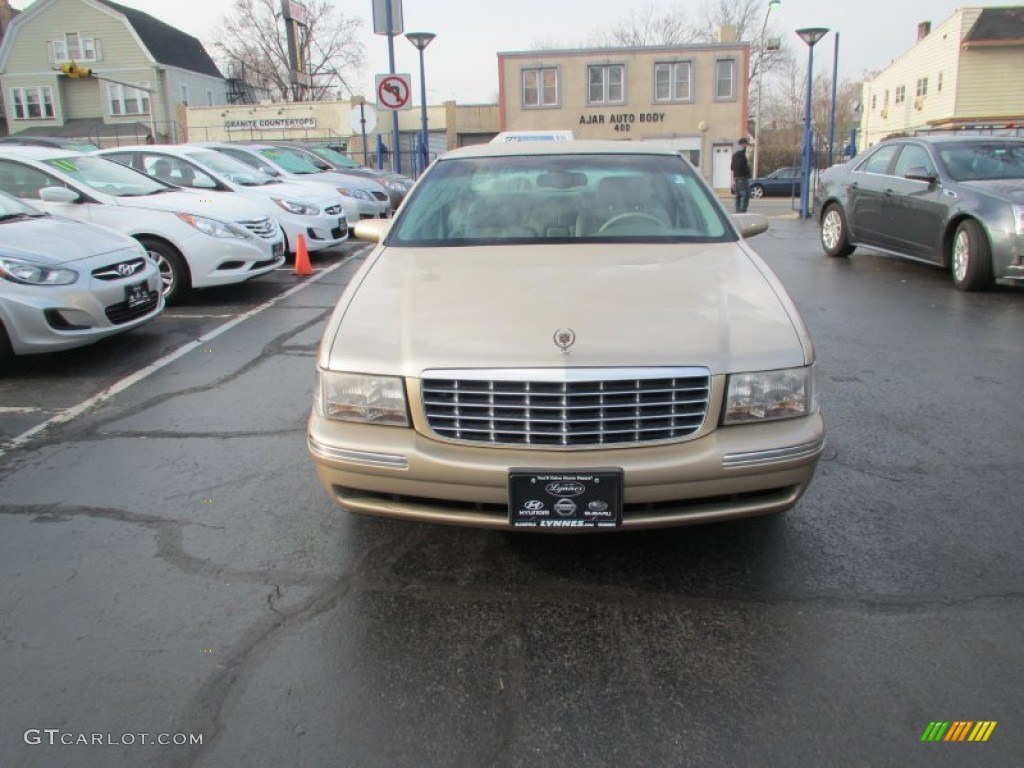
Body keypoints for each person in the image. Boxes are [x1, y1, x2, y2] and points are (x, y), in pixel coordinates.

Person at [731, 137, 752, 213]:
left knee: (738, 195)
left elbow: (732, 167)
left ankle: (737, 210)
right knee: (745, 194)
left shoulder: (734, 155)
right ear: (743, 144)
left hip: (736, 177)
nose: (747, 146)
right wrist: (747, 171)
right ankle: (742, 211)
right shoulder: (742, 154)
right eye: (746, 144)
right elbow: (742, 166)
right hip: (743, 177)